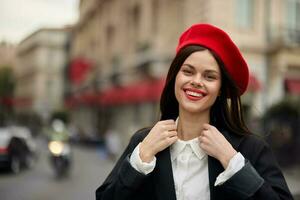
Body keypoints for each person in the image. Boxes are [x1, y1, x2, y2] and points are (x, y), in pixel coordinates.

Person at [95, 24, 293, 200]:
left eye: (209, 76)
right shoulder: (145, 142)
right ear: (175, 78)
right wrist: (142, 157)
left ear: (221, 90)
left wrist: (232, 162)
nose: (196, 81)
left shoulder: (249, 148)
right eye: (188, 71)